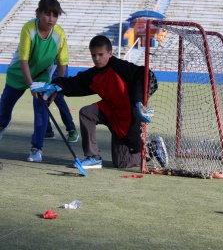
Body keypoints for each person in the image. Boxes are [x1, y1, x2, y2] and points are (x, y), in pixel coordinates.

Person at [31, 35, 168, 169]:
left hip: (127, 117)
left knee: (121, 162)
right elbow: (75, 83)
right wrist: (55, 85)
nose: (97, 59)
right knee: (86, 112)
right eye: (93, 55)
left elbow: (147, 75)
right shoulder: (94, 74)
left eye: (100, 55)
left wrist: (138, 102)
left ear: (110, 53)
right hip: (109, 110)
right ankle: (93, 157)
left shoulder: (120, 67)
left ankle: (152, 148)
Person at [0, 0, 69, 163]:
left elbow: (62, 65)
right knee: (4, 109)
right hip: (18, 73)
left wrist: (56, 88)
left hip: (41, 75)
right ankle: (2, 125)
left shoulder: (59, 34)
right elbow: (23, 60)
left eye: (55, 15)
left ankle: (36, 149)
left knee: (41, 109)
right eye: (47, 14)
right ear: (38, 13)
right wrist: (31, 86)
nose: (51, 19)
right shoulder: (29, 28)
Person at [44, 63, 79, 143]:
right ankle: (48, 130)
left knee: (59, 100)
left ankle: (72, 130)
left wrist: (58, 84)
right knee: (43, 103)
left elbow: (62, 66)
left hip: (58, 79)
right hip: (48, 79)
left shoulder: (59, 51)